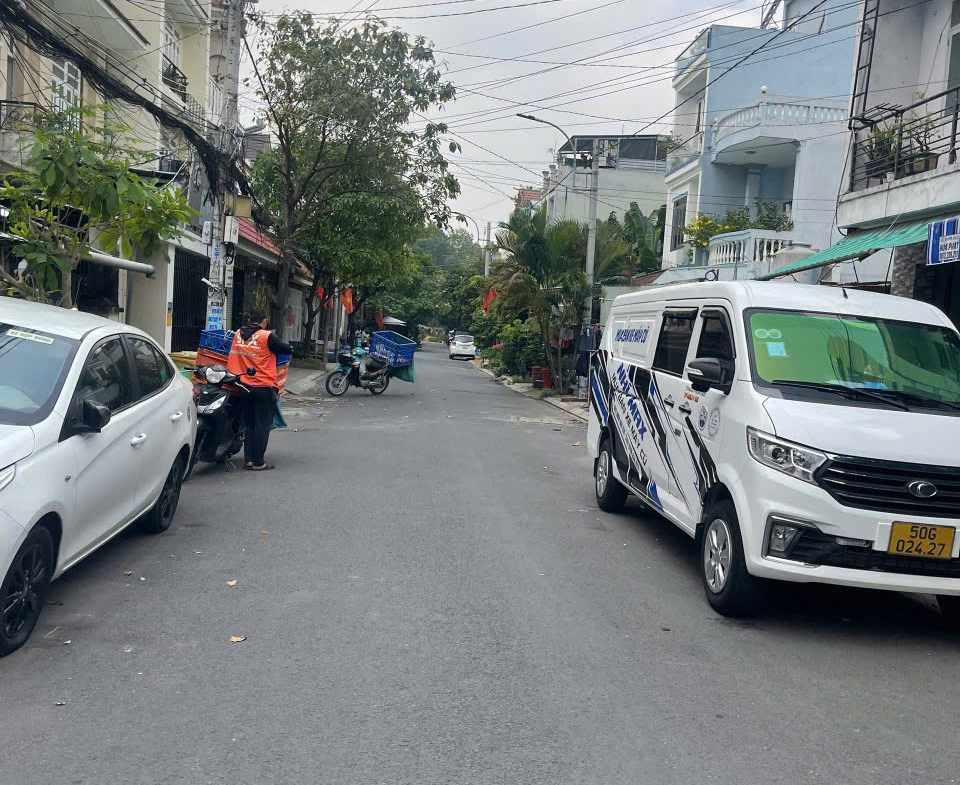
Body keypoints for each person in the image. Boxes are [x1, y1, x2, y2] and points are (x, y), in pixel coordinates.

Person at [226, 310, 293, 471]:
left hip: (243, 386)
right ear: (264, 321)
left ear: (250, 320)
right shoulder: (266, 336)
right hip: (263, 386)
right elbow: (286, 349)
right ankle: (258, 462)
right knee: (261, 425)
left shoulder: (238, 334)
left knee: (249, 425)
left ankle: (249, 460)